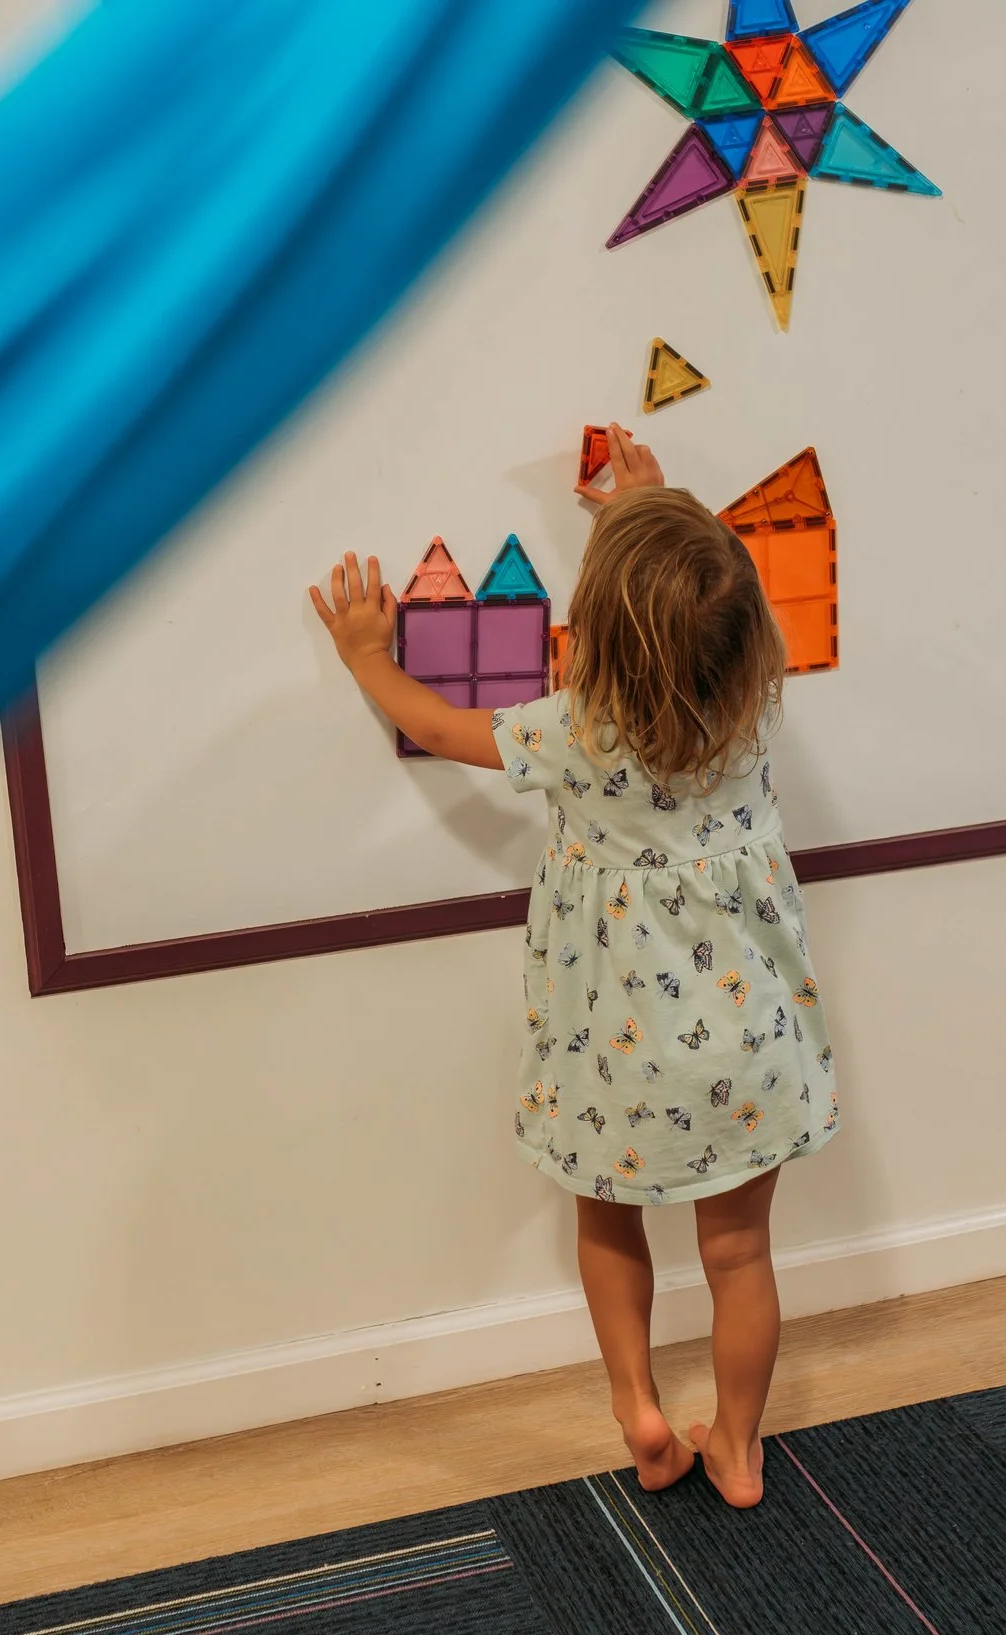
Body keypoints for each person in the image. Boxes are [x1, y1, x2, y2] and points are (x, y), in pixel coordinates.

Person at [308, 424, 838, 1509]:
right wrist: (648, 507)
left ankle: (640, 1409)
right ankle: (738, 1449)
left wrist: (367, 655)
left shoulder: (570, 733)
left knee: (609, 1222)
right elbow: (707, 609)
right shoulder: (751, 715)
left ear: (591, 632)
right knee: (740, 1258)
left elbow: (440, 726)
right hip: (749, 1057)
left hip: (619, 1057)